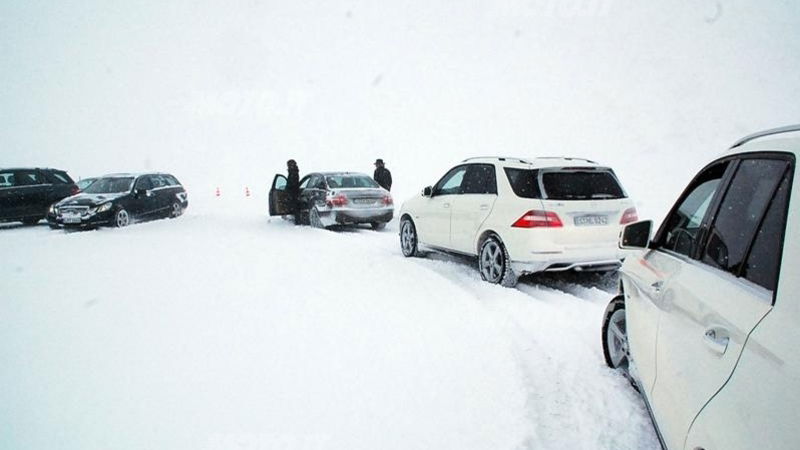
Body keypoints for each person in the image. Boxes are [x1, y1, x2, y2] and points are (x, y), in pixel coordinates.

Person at [286, 159, 301, 224]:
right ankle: (296, 219)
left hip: (294, 192)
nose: (288, 166)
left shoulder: (293, 172)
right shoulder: (293, 171)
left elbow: (292, 183)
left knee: (295, 206)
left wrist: (288, 189)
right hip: (294, 191)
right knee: (295, 206)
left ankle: (297, 221)